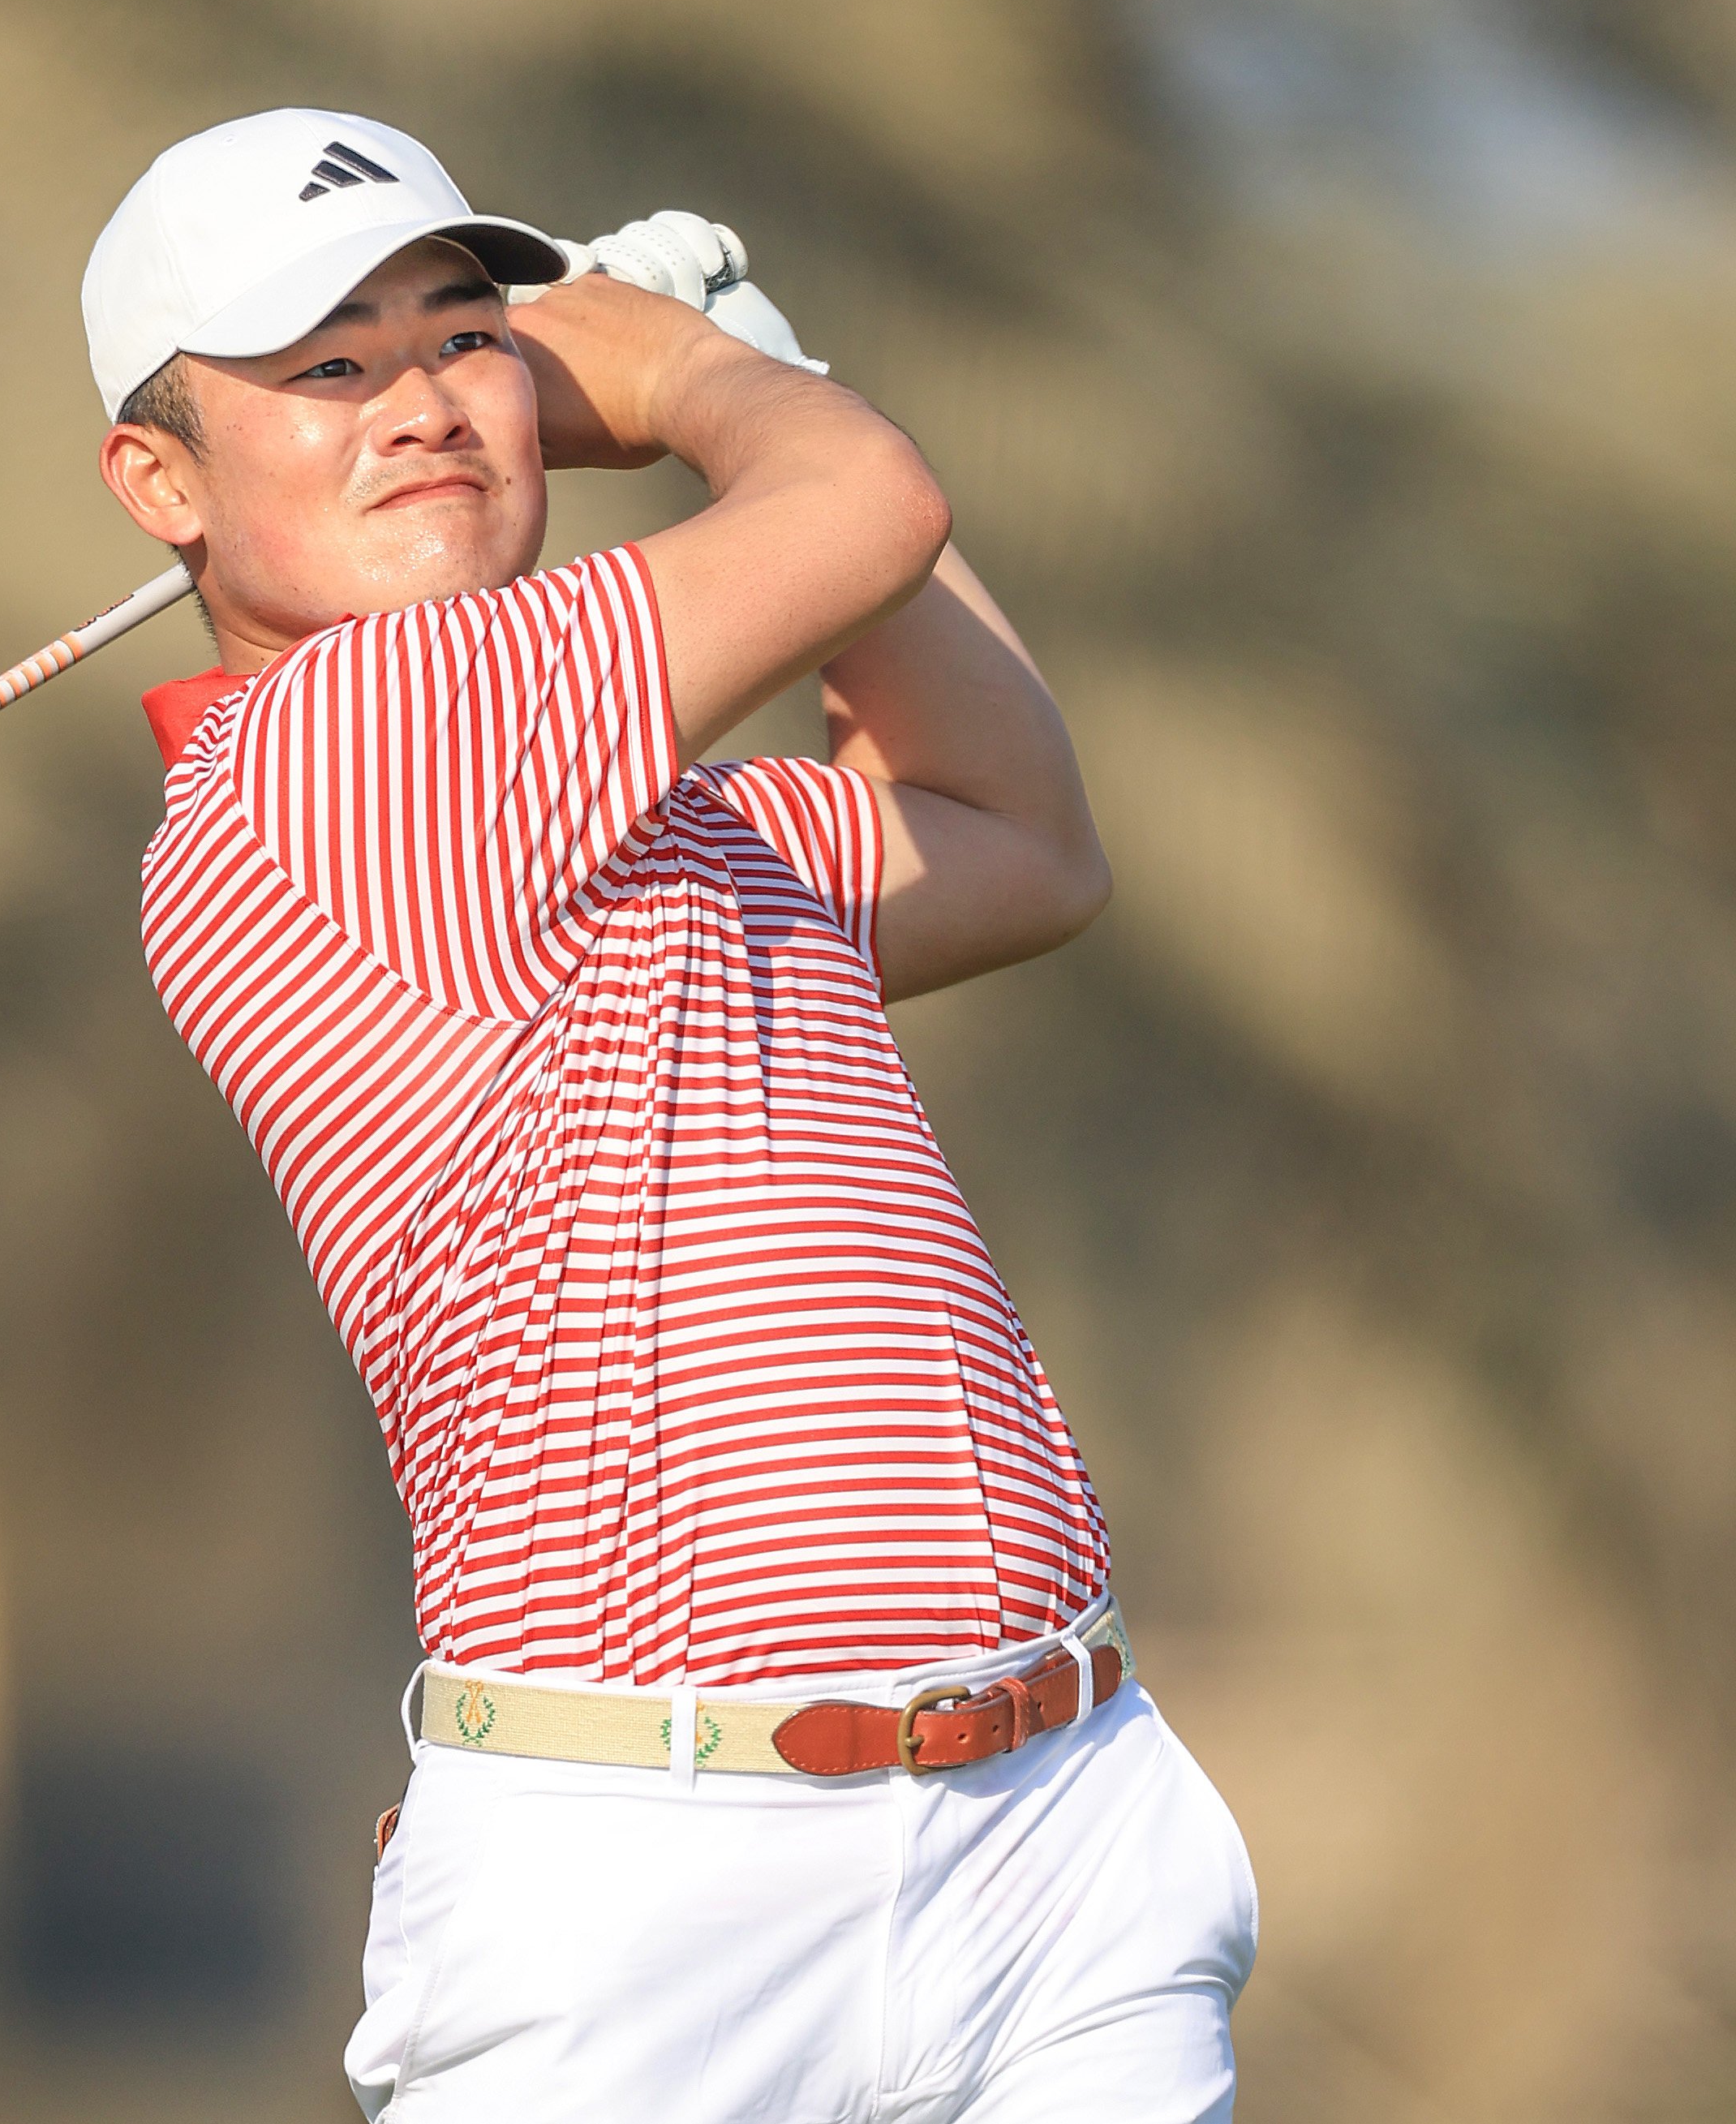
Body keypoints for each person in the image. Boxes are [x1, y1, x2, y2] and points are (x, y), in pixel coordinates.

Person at [85, 109, 1257, 2122]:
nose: (425, 408)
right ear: (159, 483)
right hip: (655, 1883)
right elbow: (859, 505)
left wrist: (750, 380)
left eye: (462, 339)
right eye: (325, 370)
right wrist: (680, 365)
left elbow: (1015, 840)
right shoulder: (345, 751)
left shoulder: (651, 825)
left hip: (1054, 1828)